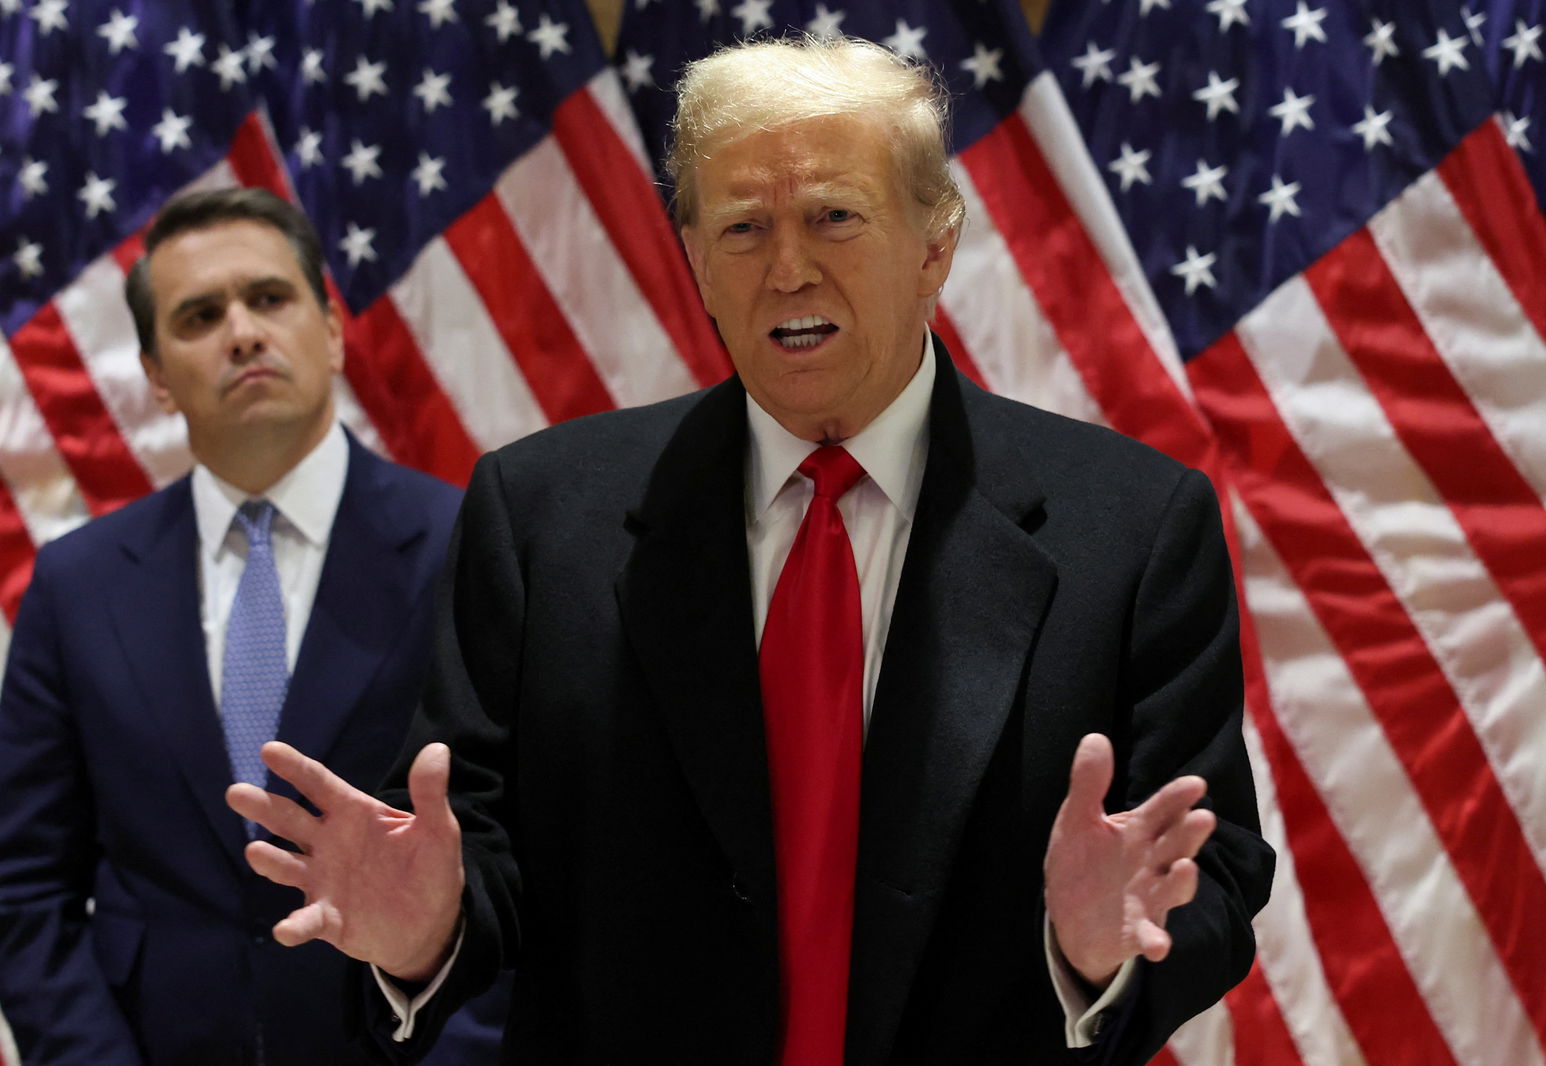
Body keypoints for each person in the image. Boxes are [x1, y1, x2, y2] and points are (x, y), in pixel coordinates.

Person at [229, 38, 1274, 1066]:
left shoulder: (1134, 526)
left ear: (934, 243)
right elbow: (480, 842)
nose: (785, 268)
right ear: (694, 261)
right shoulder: (541, 513)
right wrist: (425, 934)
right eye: (741, 227)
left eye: (833, 217)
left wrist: (1102, 952)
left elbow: (1212, 867)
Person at [0, 189, 505, 1065]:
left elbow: (532, 852)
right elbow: (24, 884)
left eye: (269, 298)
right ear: (156, 374)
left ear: (334, 330)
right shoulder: (75, 585)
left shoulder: (469, 547)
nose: (241, 332)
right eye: (199, 316)